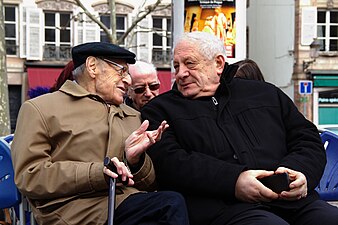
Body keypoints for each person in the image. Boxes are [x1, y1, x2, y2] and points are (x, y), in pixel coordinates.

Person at [141, 31, 338, 225]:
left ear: (218, 63)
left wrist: (299, 173)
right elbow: (170, 162)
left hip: (294, 203)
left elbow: (307, 138)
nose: (181, 73)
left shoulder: (265, 93)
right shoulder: (160, 110)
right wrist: (234, 181)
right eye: (176, 65)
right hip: (224, 210)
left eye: (190, 63)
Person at [11, 42, 189, 225]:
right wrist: (98, 173)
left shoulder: (133, 115)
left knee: (173, 205)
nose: (128, 80)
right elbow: (29, 176)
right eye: (121, 71)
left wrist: (136, 162)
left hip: (125, 204)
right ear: (92, 67)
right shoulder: (41, 108)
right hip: (73, 211)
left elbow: (150, 185)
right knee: (169, 204)